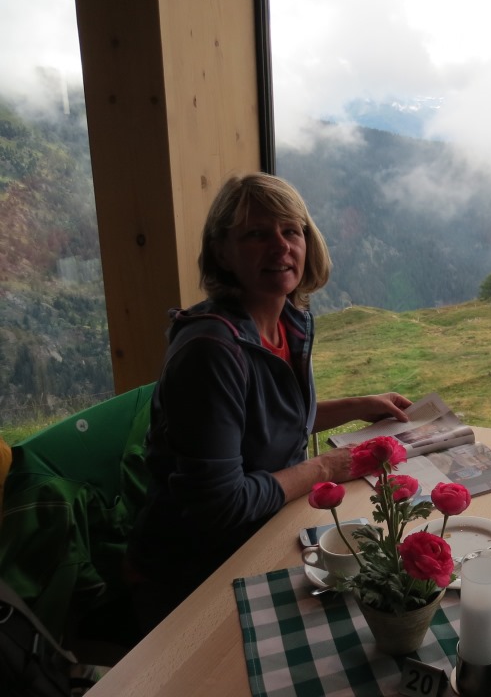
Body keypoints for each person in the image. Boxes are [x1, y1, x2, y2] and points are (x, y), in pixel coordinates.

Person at [127, 172, 412, 631]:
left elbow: (270, 424)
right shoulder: (211, 353)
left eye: (291, 231)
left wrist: (361, 405)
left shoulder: (285, 324)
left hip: (264, 531)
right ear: (222, 251)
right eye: (257, 234)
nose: (281, 247)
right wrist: (324, 467)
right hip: (194, 576)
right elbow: (220, 506)